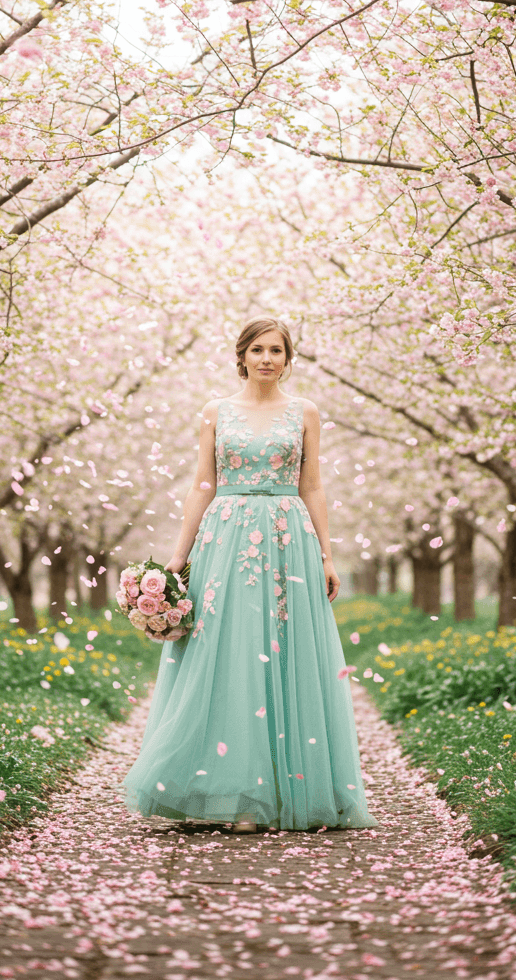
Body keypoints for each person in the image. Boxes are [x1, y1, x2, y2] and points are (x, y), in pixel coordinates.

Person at [122, 317, 377, 833]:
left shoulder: (305, 412)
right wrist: (178, 556)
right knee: (227, 652)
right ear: (241, 356)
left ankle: (281, 790)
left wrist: (326, 555)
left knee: (286, 651)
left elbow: (313, 486)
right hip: (226, 537)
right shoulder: (217, 412)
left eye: (276, 351)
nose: (266, 359)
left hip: (289, 540)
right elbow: (202, 484)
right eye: (257, 350)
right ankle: (227, 790)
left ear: (288, 359)